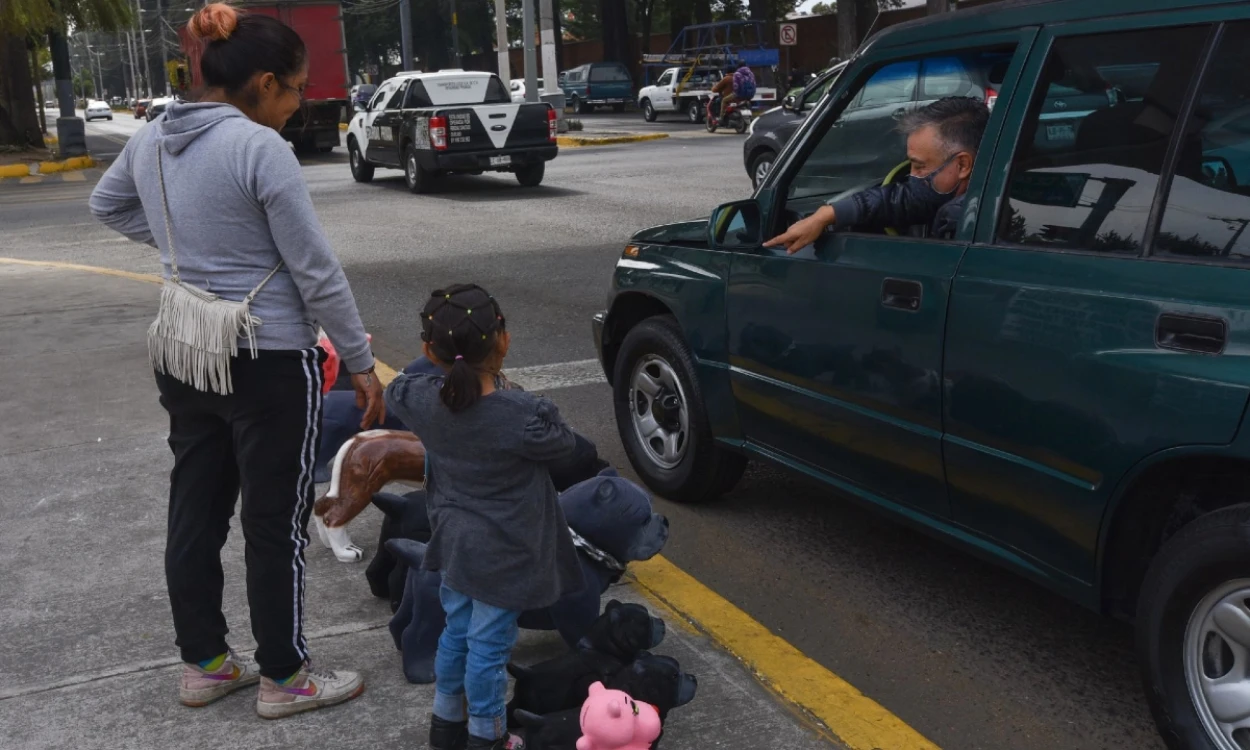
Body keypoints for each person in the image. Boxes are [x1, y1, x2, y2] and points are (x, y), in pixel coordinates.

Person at [88, 2, 383, 718]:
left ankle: (207, 665)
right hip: (268, 359)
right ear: (259, 82)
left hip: (186, 349)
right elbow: (315, 271)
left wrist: (181, 250)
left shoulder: (152, 136)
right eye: (294, 88)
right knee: (273, 522)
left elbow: (107, 205)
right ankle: (285, 676)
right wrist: (361, 358)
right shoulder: (260, 149)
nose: (298, 102)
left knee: (195, 509)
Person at [384, 284, 584, 750]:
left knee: (456, 632)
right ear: (504, 340)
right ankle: (488, 736)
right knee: (490, 647)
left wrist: (436, 362)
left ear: (428, 348)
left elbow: (399, 386)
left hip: (454, 541)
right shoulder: (522, 415)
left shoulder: (419, 400)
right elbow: (565, 444)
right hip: (507, 553)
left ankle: (446, 724)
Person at [765, 96, 991, 253]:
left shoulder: (964, 220)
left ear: (962, 165)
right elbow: (898, 200)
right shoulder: (980, 193)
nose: (911, 176)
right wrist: (825, 215)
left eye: (920, 167)